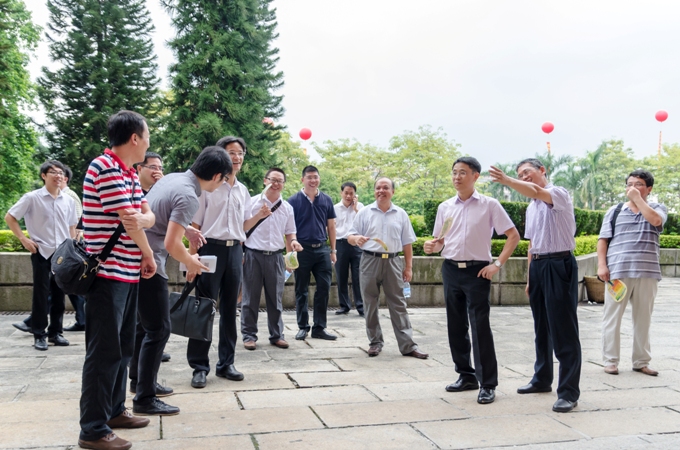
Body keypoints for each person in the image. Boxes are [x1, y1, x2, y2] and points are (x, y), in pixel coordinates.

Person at [129, 146, 232, 417]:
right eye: (223, 179)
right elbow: (171, 244)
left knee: (144, 326)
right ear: (217, 176)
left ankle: (138, 381)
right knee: (159, 329)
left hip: (135, 257)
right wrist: (191, 261)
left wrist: (186, 229)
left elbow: (160, 213)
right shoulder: (189, 196)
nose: (221, 184)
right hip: (148, 263)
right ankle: (145, 398)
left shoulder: (174, 178)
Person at [78, 110, 157, 450]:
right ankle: (93, 430)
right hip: (107, 275)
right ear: (134, 138)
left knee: (123, 348)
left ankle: (114, 411)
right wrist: (148, 253)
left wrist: (143, 219)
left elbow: (147, 215)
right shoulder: (105, 167)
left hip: (126, 272)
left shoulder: (127, 172)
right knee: (104, 352)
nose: (149, 142)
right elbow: (130, 219)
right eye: (147, 135)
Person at [424, 157, 519, 405]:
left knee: (480, 326)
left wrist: (497, 264)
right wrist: (432, 246)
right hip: (451, 269)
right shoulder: (445, 207)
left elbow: (513, 235)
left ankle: (487, 383)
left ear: (475, 176)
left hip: (478, 272)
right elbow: (440, 241)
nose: (457, 177)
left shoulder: (489, 205)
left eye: (463, 172)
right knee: (455, 325)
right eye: (454, 172)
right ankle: (466, 375)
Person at [489, 158, 581, 413]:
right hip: (539, 266)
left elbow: (538, 192)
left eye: (527, 172)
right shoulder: (531, 208)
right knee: (541, 326)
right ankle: (542, 378)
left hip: (559, 263)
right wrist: (531, 278)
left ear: (542, 170)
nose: (524, 177)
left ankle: (569, 392)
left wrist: (507, 180)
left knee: (563, 329)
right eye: (519, 174)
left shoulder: (558, 193)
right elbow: (531, 244)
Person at [186, 136, 251, 389]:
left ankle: (226, 363)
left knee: (230, 310)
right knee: (204, 308)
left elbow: (243, 225)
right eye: (231, 152)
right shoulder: (209, 186)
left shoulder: (243, 190)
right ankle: (199, 366)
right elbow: (195, 225)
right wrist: (192, 258)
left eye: (240, 153)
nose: (236, 157)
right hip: (209, 248)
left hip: (235, 250)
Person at [348, 177, 429, 360]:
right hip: (369, 260)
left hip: (393, 262)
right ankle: (375, 342)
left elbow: (407, 243)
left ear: (393, 191)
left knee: (398, 303)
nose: (381, 191)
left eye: (385, 188)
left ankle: (408, 345)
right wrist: (356, 239)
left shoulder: (401, 214)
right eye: (378, 188)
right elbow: (350, 236)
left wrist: (408, 267)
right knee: (370, 303)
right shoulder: (365, 212)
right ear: (374, 191)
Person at [597, 169, 666, 377]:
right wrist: (602, 265)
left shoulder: (657, 208)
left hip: (648, 272)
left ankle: (641, 361)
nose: (632, 188)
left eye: (638, 184)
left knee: (643, 319)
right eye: (629, 184)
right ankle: (610, 361)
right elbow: (603, 240)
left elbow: (656, 221)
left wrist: (638, 200)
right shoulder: (615, 210)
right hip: (618, 272)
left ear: (649, 189)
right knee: (612, 318)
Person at [5, 160, 77, 350]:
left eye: (60, 172)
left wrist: (72, 249)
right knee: (41, 294)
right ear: (43, 176)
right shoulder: (32, 197)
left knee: (59, 295)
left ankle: (56, 333)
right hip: (41, 252)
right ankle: (39, 334)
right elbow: (10, 217)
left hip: (62, 254)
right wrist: (24, 239)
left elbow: (72, 226)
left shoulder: (68, 201)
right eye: (53, 172)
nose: (58, 175)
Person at [241, 168, 303, 350]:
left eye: (280, 181)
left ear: (284, 184)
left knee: (275, 299)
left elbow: (290, 233)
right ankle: (249, 335)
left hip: (275, 256)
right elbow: (242, 228)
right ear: (265, 180)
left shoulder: (287, 208)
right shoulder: (252, 203)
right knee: (250, 299)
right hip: (252, 254)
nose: (276, 184)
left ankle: (277, 335)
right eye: (272, 180)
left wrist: (294, 244)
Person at [287, 166, 338, 341]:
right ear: (302, 180)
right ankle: (303, 327)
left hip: (322, 249)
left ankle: (319, 327)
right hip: (301, 249)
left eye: (315, 177)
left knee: (324, 288)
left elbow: (331, 226)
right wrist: (289, 255)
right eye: (309, 177)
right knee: (301, 290)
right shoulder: (293, 201)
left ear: (319, 179)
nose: (313, 180)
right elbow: (288, 229)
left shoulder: (326, 200)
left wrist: (333, 250)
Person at [134, 152, 171, 363]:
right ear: (140, 168)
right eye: (153, 167)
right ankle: (143, 365)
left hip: (157, 258)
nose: (158, 171)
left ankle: (142, 361)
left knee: (146, 322)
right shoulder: (133, 191)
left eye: (160, 168)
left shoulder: (159, 194)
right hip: (142, 261)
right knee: (156, 325)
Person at [334, 182, 364, 316]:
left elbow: (366, 223)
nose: (348, 196)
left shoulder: (361, 208)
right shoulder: (334, 208)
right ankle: (344, 305)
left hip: (357, 244)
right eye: (346, 193)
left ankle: (361, 306)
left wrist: (356, 209)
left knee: (358, 276)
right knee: (341, 276)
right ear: (341, 193)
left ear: (355, 195)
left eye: (351, 193)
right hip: (340, 244)